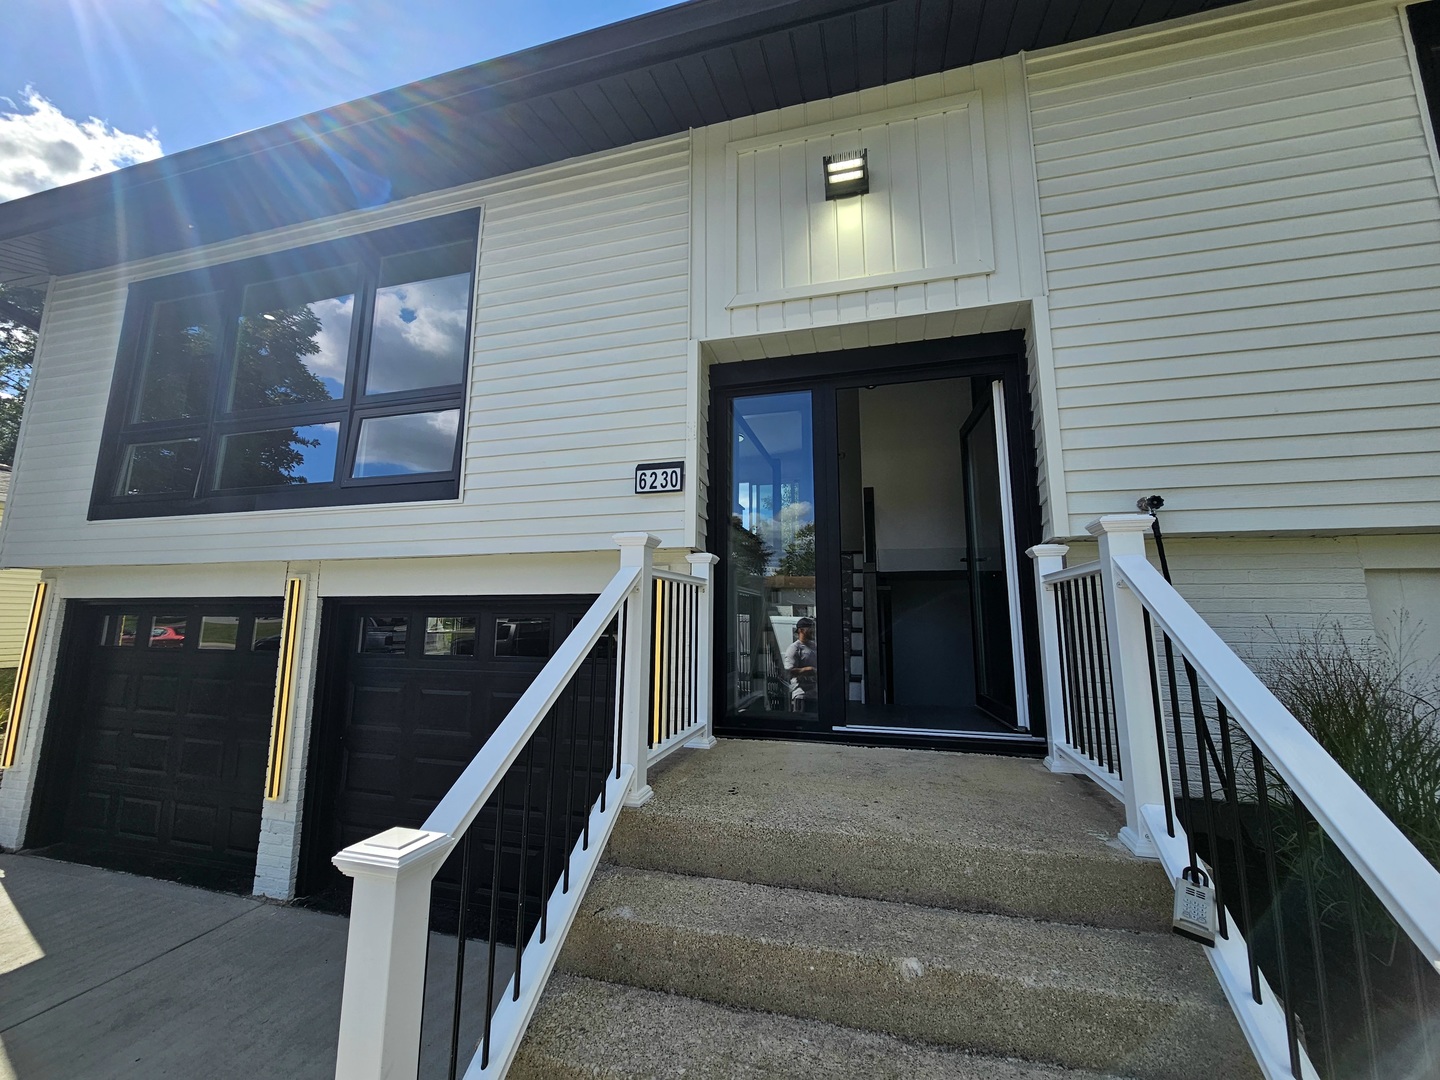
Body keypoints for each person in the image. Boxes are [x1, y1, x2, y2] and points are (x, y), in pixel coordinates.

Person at [783, 617, 818, 713]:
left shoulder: (814, 646)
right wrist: (808, 670)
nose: (813, 631)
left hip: (816, 695)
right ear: (801, 630)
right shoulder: (794, 648)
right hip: (801, 696)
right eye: (810, 629)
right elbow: (788, 672)